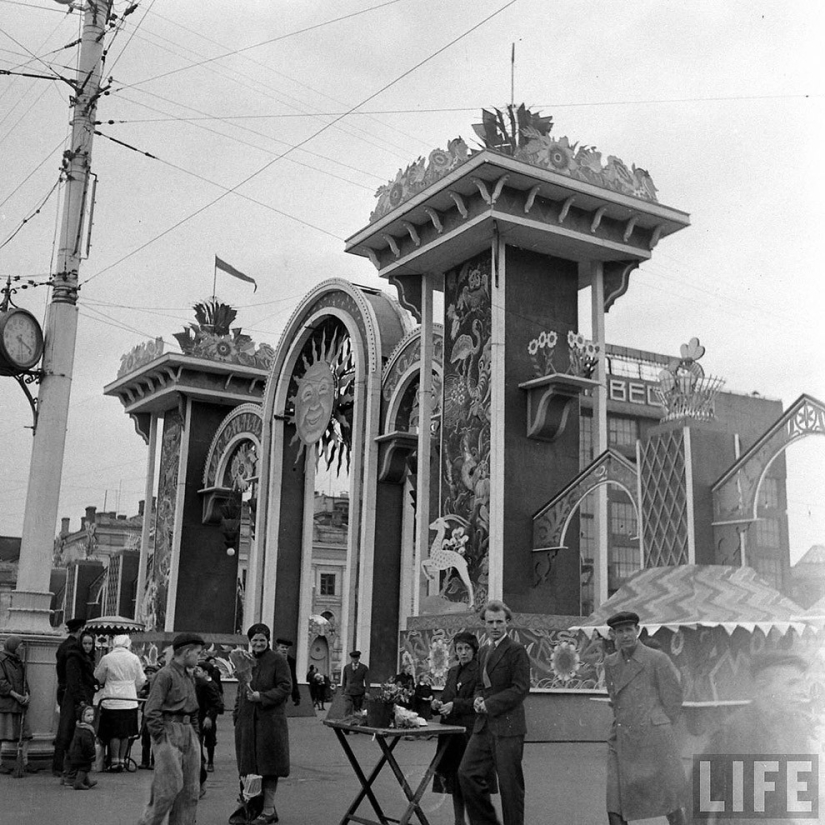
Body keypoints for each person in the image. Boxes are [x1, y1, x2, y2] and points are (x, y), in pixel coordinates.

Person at [702, 651, 818, 824]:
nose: (801, 692)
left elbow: (808, 790)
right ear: (763, 687)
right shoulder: (733, 730)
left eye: (802, 684)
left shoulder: (797, 726)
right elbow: (702, 792)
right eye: (792, 684)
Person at [603, 611, 687, 825]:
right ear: (613, 635)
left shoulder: (657, 658)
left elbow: (674, 698)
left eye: (629, 629)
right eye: (619, 631)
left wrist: (657, 721)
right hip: (621, 739)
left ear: (637, 631)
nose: (625, 635)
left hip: (655, 740)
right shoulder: (610, 662)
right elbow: (615, 698)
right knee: (615, 805)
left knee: (671, 803)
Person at [458, 599, 530, 825]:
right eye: (490, 622)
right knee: (466, 773)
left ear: (507, 622)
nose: (495, 626)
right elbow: (481, 684)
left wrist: (490, 704)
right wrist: (479, 697)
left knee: (510, 788)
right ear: (484, 624)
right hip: (484, 726)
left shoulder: (516, 651)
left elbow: (520, 688)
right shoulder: (484, 650)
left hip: (508, 727)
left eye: (500, 621)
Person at [136, 632, 205, 825]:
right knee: (167, 789)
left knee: (190, 792)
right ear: (187, 652)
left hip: (188, 732)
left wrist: (195, 736)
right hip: (169, 730)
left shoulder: (188, 676)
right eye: (197, 653)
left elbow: (194, 709)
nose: (198, 657)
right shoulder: (164, 675)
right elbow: (151, 709)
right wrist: (161, 738)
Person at [231, 623, 291, 825]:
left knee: (269, 767)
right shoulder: (245, 660)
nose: (258, 643)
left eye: (262, 640)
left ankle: (267, 810)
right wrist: (237, 715)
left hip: (270, 723)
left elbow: (285, 687)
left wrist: (262, 696)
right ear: (250, 642)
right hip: (247, 723)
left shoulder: (277, 661)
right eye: (255, 640)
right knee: (248, 767)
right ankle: (249, 808)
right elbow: (241, 690)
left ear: (268, 641)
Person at [432, 632, 486, 825]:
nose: (463, 653)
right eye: (459, 649)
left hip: (468, 731)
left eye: (467, 649)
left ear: (474, 650)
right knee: (454, 779)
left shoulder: (480, 670)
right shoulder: (453, 671)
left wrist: (455, 704)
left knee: (469, 778)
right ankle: (458, 821)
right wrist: (438, 705)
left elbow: (477, 700)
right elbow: (447, 696)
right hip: (450, 731)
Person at [94, 634, 145, 772]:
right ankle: (122, 760)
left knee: (113, 732)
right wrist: (133, 688)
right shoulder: (134, 658)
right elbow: (141, 680)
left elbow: (98, 677)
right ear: (128, 644)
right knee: (126, 733)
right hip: (129, 699)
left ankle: (114, 760)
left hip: (111, 699)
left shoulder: (107, 658)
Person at [55, 629, 97, 784]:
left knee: (81, 735)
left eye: (90, 643)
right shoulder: (74, 657)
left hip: (81, 698)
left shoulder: (85, 657)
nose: (87, 646)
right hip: (75, 701)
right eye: (85, 643)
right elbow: (74, 681)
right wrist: (81, 701)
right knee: (74, 736)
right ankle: (70, 774)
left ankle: (80, 776)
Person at [53, 617, 86, 775]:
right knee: (68, 728)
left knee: (65, 727)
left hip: (63, 688)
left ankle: (61, 764)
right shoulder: (74, 649)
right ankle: (62, 766)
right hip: (70, 691)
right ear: (80, 630)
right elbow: (74, 675)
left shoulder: (63, 646)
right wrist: (79, 697)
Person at [0, 635, 34, 775]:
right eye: (20, 645)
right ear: (13, 646)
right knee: (1, 734)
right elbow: (1, 682)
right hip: (7, 703)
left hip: (19, 704)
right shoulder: (2, 660)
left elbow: (24, 680)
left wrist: (27, 695)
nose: (22, 648)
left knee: (25, 734)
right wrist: (16, 695)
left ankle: (24, 762)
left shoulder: (18, 661)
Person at [193, 662, 223, 775]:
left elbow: (216, 703)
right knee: (197, 739)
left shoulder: (210, 685)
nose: (195, 673)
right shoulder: (196, 683)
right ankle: (201, 760)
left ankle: (210, 761)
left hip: (208, 716)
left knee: (210, 740)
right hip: (198, 716)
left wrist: (210, 717)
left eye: (198, 671)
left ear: (205, 673)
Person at [67, 704, 98, 790]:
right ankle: (78, 783)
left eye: (92, 715)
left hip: (77, 752)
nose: (91, 717)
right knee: (84, 767)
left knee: (83, 767)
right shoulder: (85, 730)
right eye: (88, 715)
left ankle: (87, 781)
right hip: (82, 754)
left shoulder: (80, 727)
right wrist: (91, 753)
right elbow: (87, 744)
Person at [137, 664, 160, 770]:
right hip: (146, 713)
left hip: (156, 713)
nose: (149, 676)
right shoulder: (146, 685)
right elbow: (139, 697)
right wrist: (141, 694)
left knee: (155, 737)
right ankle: (144, 760)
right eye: (147, 674)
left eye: (151, 673)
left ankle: (154, 761)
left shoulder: (160, 685)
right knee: (145, 737)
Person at [342, 650, 369, 715]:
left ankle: (356, 722)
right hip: (349, 692)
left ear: (359, 658)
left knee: (358, 710)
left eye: (356, 658)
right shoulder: (347, 667)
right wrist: (343, 691)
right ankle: (346, 722)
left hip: (359, 692)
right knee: (348, 707)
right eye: (353, 658)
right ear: (351, 658)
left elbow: (367, 681)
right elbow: (344, 680)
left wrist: (367, 691)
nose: (355, 659)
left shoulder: (364, 668)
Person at [275, 638, 301, 706]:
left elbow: (293, 678)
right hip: (272, 690)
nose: (284, 649)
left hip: (284, 691)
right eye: (282, 647)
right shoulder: (272, 659)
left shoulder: (291, 661)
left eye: (286, 648)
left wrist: (296, 696)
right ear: (277, 647)